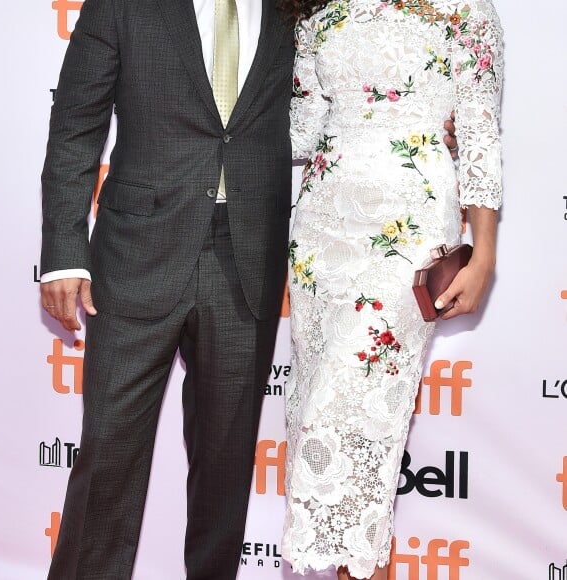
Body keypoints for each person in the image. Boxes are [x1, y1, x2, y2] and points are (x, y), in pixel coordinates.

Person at [40, 0, 458, 578]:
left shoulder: (297, 8)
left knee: (226, 459)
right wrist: (64, 255)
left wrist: (419, 121)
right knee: (108, 450)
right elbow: (75, 126)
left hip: (247, 255)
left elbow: (334, 94)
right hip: (136, 252)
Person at [280, 1, 503, 580]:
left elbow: (479, 131)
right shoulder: (315, 10)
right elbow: (299, 126)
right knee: (317, 422)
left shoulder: (464, 9)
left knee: (352, 419)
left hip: (408, 231)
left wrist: (483, 256)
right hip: (320, 233)